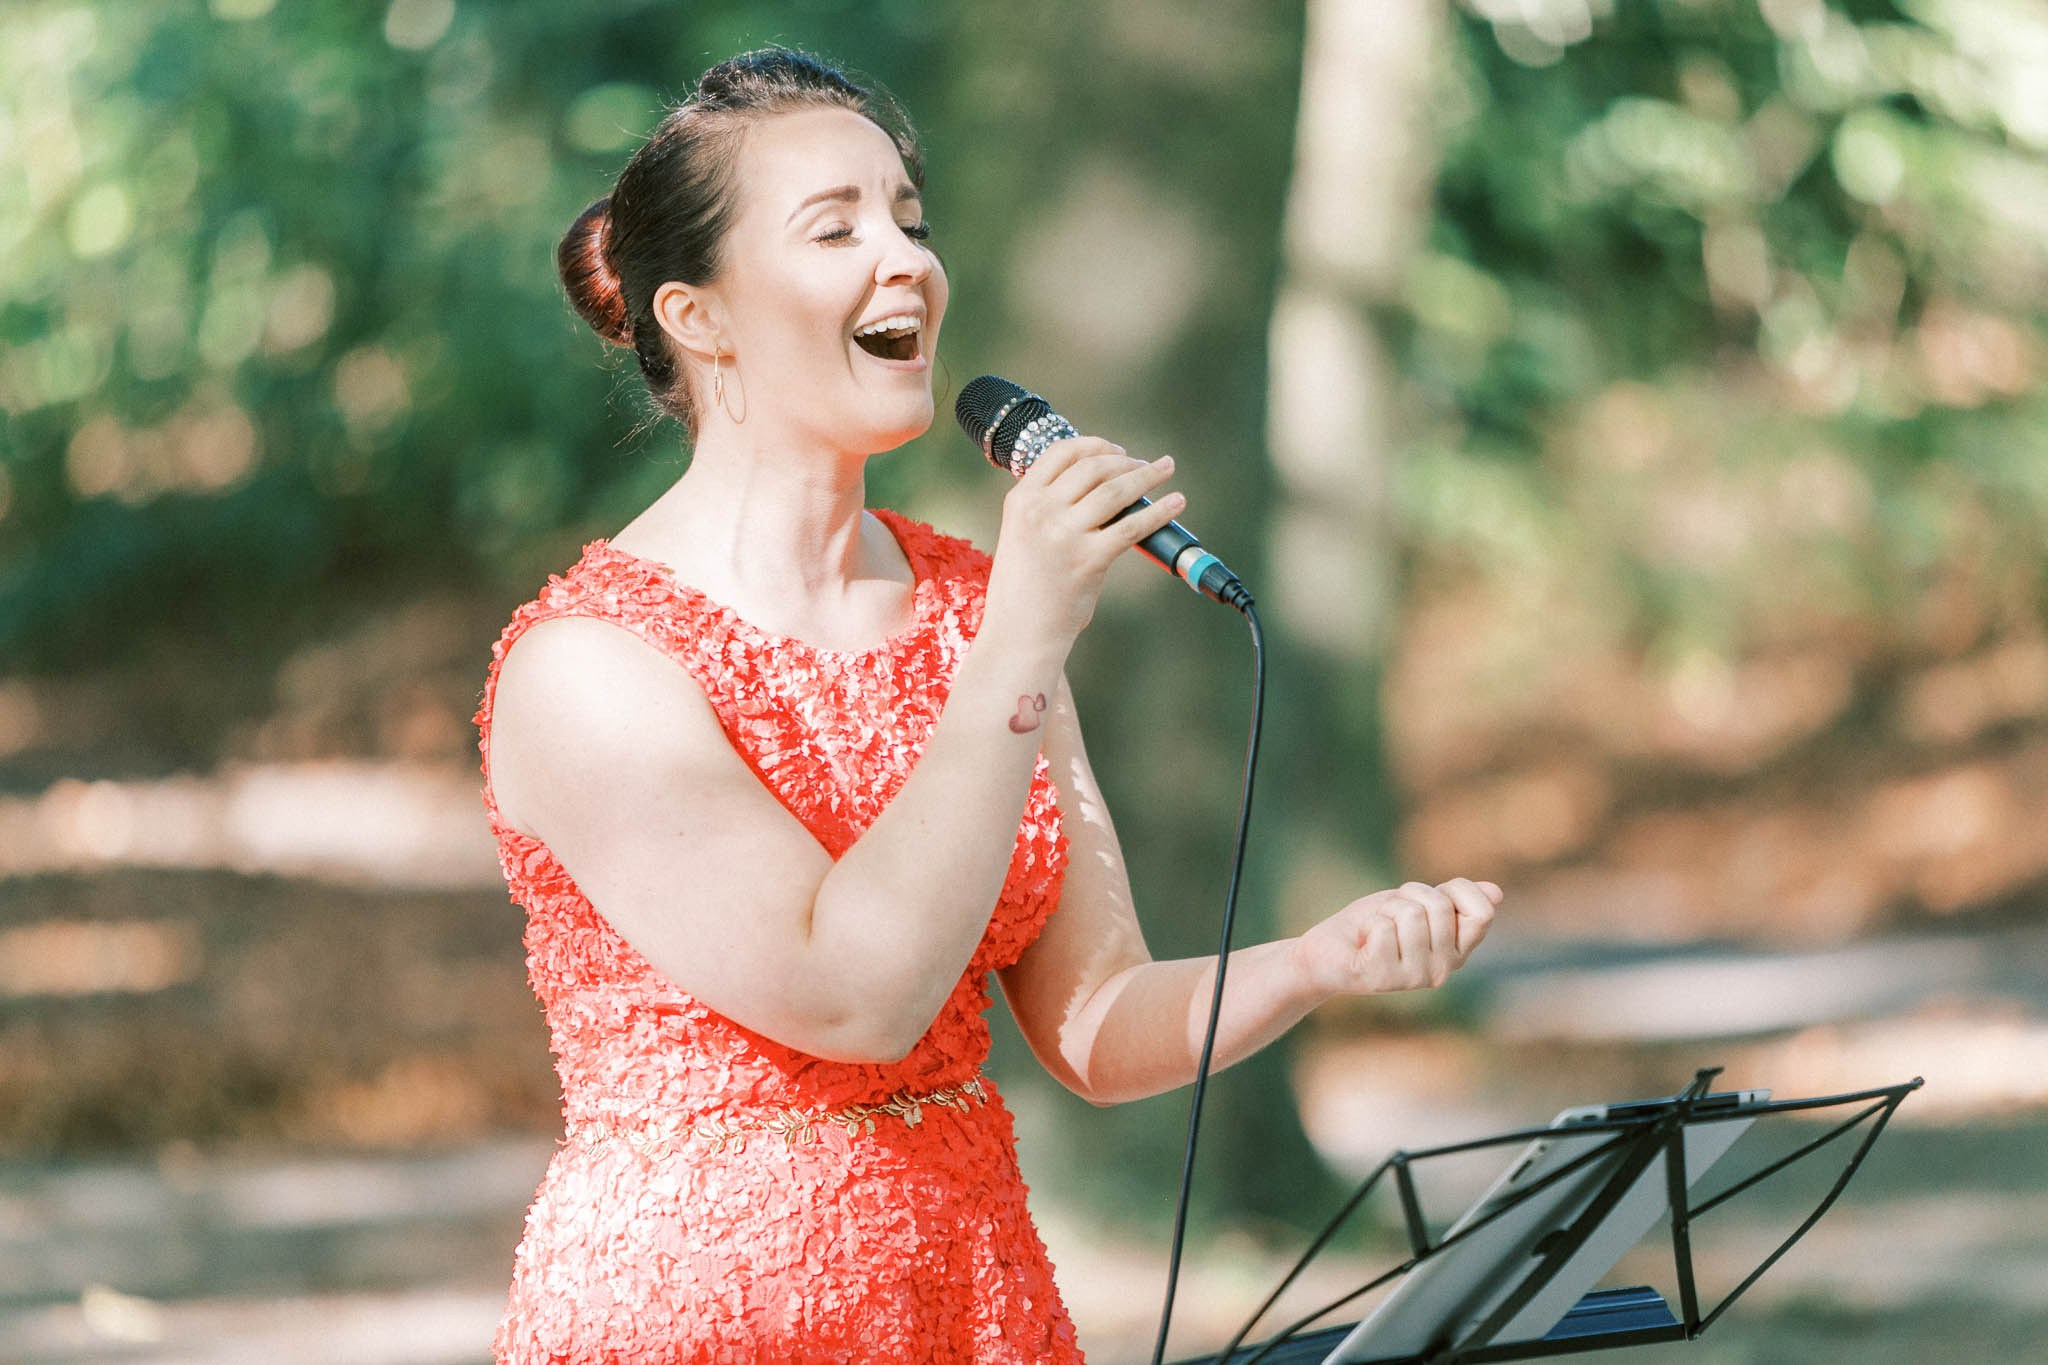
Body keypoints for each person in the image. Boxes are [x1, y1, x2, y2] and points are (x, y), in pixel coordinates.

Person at [475, 46, 1501, 1364]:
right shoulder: (590, 667)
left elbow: (1093, 1023)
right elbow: (853, 996)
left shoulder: (975, 603)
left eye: (909, 216)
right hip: (712, 1317)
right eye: (834, 227)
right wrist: (1018, 639)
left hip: (973, 1299)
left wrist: (1313, 962)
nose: (905, 259)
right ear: (699, 315)